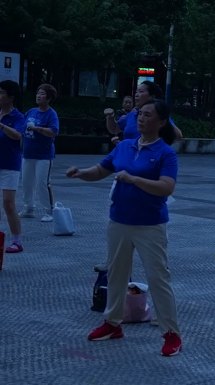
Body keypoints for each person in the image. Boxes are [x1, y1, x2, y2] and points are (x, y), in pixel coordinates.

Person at [67, 99, 182, 356]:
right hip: (119, 220)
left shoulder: (165, 153)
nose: (141, 118)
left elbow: (166, 187)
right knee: (116, 274)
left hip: (150, 225)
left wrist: (133, 179)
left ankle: (171, 333)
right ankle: (112, 323)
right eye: (140, 114)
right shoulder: (126, 146)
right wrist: (80, 172)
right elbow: (101, 170)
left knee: (158, 278)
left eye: (148, 115)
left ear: (161, 122)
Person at [19, 84, 59, 222]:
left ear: (48, 98)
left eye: (42, 94)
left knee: (42, 182)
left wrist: (37, 129)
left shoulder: (51, 114)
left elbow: (53, 131)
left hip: (44, 155)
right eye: (38, 93)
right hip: (27, 153)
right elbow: (22, 127)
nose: (38, 96)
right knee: (26, 182)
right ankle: (28, 208)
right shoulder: (31, 111)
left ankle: (49, 211)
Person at [105, 81, 182, 143]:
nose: (136, 95)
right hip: (129, 158)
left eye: (141, 91)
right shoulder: (132, 114)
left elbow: (178, 136)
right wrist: (110, 117)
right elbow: (114, 129)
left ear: (152, 96)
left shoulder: (159, 115)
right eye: (136, 92)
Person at [0, 80, 26, 253]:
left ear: (11, 97)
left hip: (10, 164)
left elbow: (17, 135)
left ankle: (17, 241)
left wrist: (1, 125)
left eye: (2, 92)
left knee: (8, 203)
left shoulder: (17, 117)